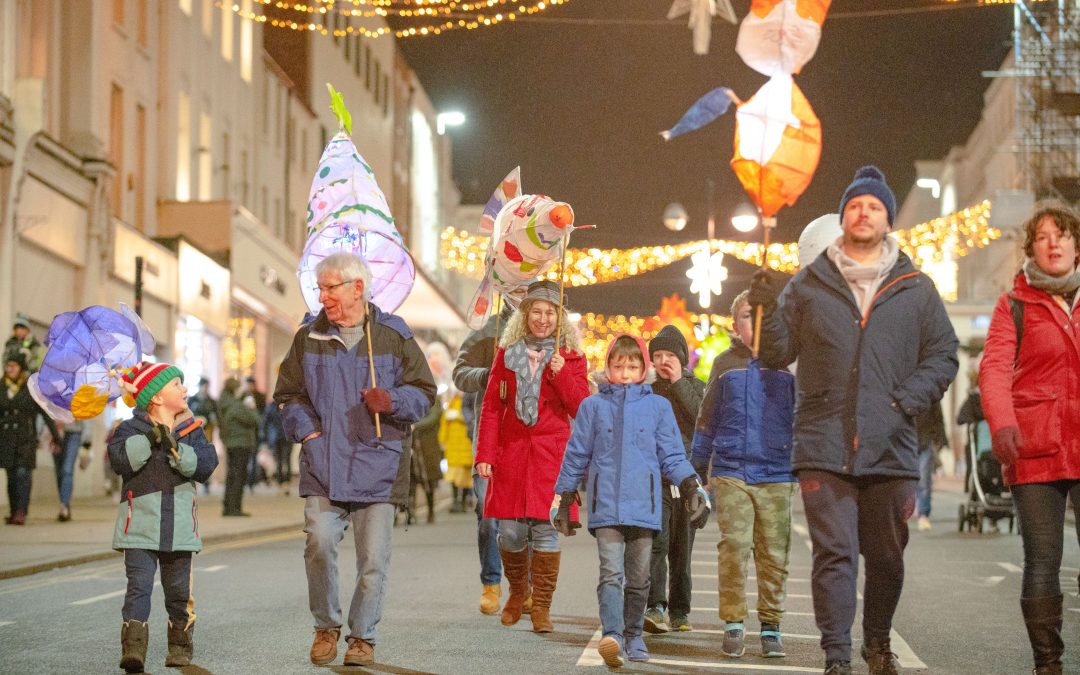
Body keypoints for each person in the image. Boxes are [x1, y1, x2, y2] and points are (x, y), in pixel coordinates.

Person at [749, 166, 959, 675]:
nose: (863, 213)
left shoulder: (915, 287)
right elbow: (773, 354)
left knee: (886, 558)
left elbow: (944, 353)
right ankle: (837, 657)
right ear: (843, 219)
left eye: (874, 206)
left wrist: (905, 401)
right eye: (854, 206)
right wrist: (766, 306)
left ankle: (878, 641)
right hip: (824, 440)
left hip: (890, 444)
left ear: (886, 219)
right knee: (835, 553)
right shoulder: (809, 284)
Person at [274, 252, 436, 667]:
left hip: (379, 466)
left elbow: (425, 393)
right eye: (321, 287)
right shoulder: (307, 336)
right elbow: (288, 395)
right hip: (323, 465)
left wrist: (394, 400)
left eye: (330, 287)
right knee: (319, 544)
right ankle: (325, 626)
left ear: (357, 288)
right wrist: (308, 433)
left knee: (373, 562)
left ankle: (362, 637)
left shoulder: (393, 336)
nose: (322, 295)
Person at [552, 334, 710, 666]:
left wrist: (693, 485)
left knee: (639, 579)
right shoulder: (592, 406)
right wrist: (564, 497)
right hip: (606, 505)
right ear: (608, 367)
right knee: (611, 573)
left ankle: (634, 634)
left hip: (645, 506)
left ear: (643, 368)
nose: (625, 373)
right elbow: (576, 454)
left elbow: (672, 454)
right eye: (618, 365)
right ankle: (613, 634)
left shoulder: (658, 406)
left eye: (633, 366)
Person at [979, 203, 1080, 675]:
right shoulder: (1013, 305)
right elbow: (994, 369)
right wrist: (1002, 426)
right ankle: (1048, 662)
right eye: (1043, 237)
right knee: (1043, 560)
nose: (1053, 243)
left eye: (1061, 235)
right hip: (1034, 448)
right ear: (1032, 249)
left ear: (1076, 246)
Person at [474, 279, 590, 633]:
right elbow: (492, 407)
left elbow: (582, 407)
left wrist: (562, 375)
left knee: (546, 532)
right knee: (509, 532)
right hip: (510, 453)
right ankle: (516, 591)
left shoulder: (571, 357)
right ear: (524, 315)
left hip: (551, 456)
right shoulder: (506, 352)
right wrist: (485, 453)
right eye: (536, 311)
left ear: (560, 319)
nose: (542, 319)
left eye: (550, 313)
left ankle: (541, 606)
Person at [692, 290, 797, 659]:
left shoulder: (789, 365)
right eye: (749, 315)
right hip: (731, 468)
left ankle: (771, 625)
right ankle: (734, 622)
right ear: (736, 325)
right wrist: (695, 474)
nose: (758, 321)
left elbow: (806, 420)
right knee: (734, 547)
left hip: (778, 471)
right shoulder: (724, 364)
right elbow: (706, 421)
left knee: (774, 553)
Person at [107, 361, 218, 672]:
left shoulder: (191, 430)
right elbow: (120, 460)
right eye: (176, 385)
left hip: (180, 525)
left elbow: (208, 464)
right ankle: (134, 649)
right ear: (155, 397)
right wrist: (151, 438)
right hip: (139, 525)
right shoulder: (130, 428)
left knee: (179, 592)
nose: (184, 389)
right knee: (138, 587)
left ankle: (180, 647)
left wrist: (179, 452)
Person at [452, 291, 519, 616]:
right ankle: (491, 582)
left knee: (528, 519)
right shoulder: (488, 329)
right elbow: (460, 372)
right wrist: (485, 374)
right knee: (488, 516)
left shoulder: (551, 328)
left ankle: (526, 585)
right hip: (491, 441)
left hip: (532, 443)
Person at [642, 325, 705, 634]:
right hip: (655, 478)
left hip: (688, 478)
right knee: (658, 541)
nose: (663, 360)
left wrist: (679, 381)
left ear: (681, 357)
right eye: (657, 355)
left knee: (683, 548)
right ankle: (655, 606)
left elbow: (701, 419)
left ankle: (680, 610)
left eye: (669, 355)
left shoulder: (697, 386)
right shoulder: (648, 388)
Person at [1, 353, 59, 525]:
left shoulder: (30, 389)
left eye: (14, 366)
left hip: (25, 439)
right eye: (8, 365)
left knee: (22, 474)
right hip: (6, 439)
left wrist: (56, 436)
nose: (10, 369)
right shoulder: (1, 386)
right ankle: (13, 511)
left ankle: (21, 511)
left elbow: (45, 413)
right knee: (11, 477)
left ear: (21, 368)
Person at [221, 383, 260, 517]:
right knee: (239, 476)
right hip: (241, 445)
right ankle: (234, 508)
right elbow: (256, 420)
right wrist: (252, 408)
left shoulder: (228, 405)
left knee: (232, 475)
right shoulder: (238, 408)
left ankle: (228, 506)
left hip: (232, 444)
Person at [913, 402, 947, 531]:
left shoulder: (931, 394)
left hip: (926, 441)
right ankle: (914, 506)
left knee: (923, 479)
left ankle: (923, 514)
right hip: (908, 440)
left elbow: (939, 418)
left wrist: (939, 440)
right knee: (908, 479)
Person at [440, 391, 475, 513]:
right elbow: (444, 424)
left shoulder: (467, 403)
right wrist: (442, 440)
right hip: (452, 446)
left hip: (466, 444)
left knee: (465, 476)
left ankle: (463, 501)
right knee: (453, 476)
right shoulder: (451, 404)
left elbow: (471, 419)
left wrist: (458, 416)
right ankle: (455, 501)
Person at [410, 397, 443, 524]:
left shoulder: (433, 398)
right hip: (412, 444)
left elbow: (434, 418)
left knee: (429, 480)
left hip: (428, 445)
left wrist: (415, 425)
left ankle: (431, 510)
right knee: (410, 479)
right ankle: (410, 512)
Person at [53, 419, 85, 521]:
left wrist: (87, 439)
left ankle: (64, 505)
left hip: (74, 432)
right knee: (59, 471)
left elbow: (87, 410)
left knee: (67, 469)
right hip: (54, 432)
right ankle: (64, 502)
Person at [261, 397, 292, 493]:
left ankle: (281, 481)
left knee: (280, 459)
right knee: (285, 459)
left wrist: (265, 437)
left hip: (276, 437)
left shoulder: (271, 407)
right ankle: (285, 481)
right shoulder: (288, 406)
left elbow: (265, 423)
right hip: (285, 436)